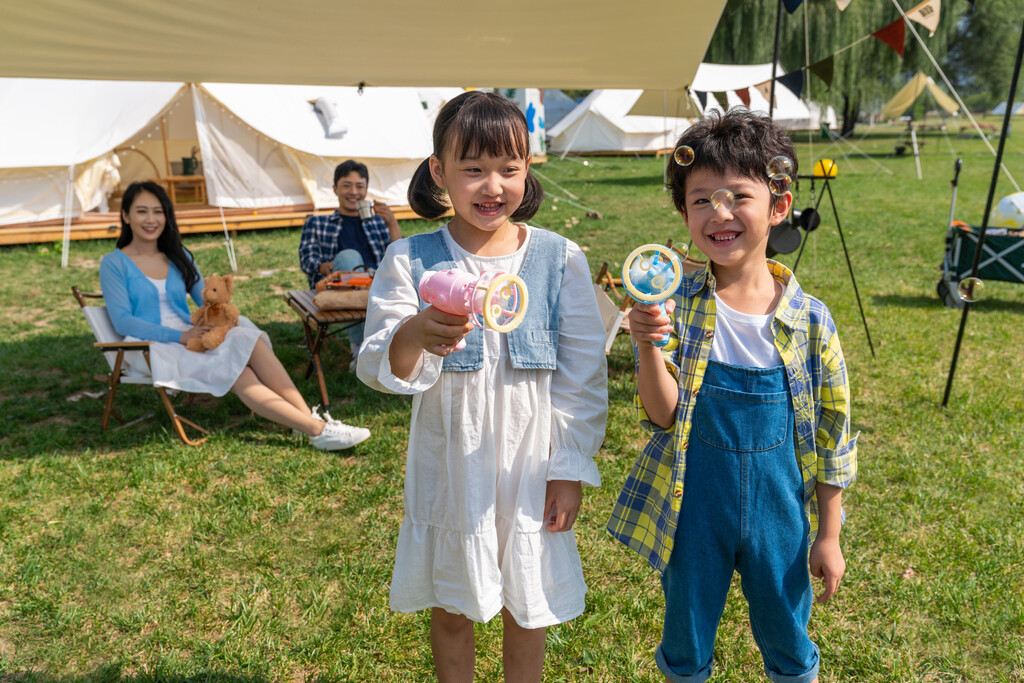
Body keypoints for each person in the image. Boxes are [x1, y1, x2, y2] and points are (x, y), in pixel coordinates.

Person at [356, 91, 608, 682]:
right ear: (440, 173)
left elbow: (582, 376)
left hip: (530, 463)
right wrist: (417, 331)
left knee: (529, 601)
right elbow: (377, 362)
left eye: (508, 168)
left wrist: (568, 467)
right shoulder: (409, 259)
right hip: (451, 462)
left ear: (528, 169)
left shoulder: (559, 258)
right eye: (473, 169)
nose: (492, 186)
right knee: (451, 600)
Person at [607, 109, 858, 683]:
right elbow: (664, 413)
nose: (719, 214)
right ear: (683, 212)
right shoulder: (676, 303)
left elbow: (833, 436)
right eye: (700, 200)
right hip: (694, 503)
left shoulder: (811, 321)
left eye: (738, 196)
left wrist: (829, 534)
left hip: (780, 509)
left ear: (778, 206)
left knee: (789, 631)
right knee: (686, 629)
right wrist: (647, 345)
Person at [100, 181, 371, 451]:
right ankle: (317, 430)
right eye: (142, 211)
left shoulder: (177, 255)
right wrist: (180, 336)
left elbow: (206, 299)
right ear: (125, 215)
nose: (151, 219)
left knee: (247, 339)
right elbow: (123, 320)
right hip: (149, 346)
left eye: (158, 212)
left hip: (193, 333)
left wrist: (222, 319)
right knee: (239, 374)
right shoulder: (114, 263)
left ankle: (308, 422)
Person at [298, 160, 403, 367]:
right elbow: (306, 258)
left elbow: (398, 256)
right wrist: (323, 267)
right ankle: (359, 349)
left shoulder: (377, 223)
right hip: (339, 287)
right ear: (335, 189)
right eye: (347, 185)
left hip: (375, 283)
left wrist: (391, 221)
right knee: (348, 256)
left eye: (359, 186)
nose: (353, 191)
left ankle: (387, 347)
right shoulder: (317, 223)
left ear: (366, 190)